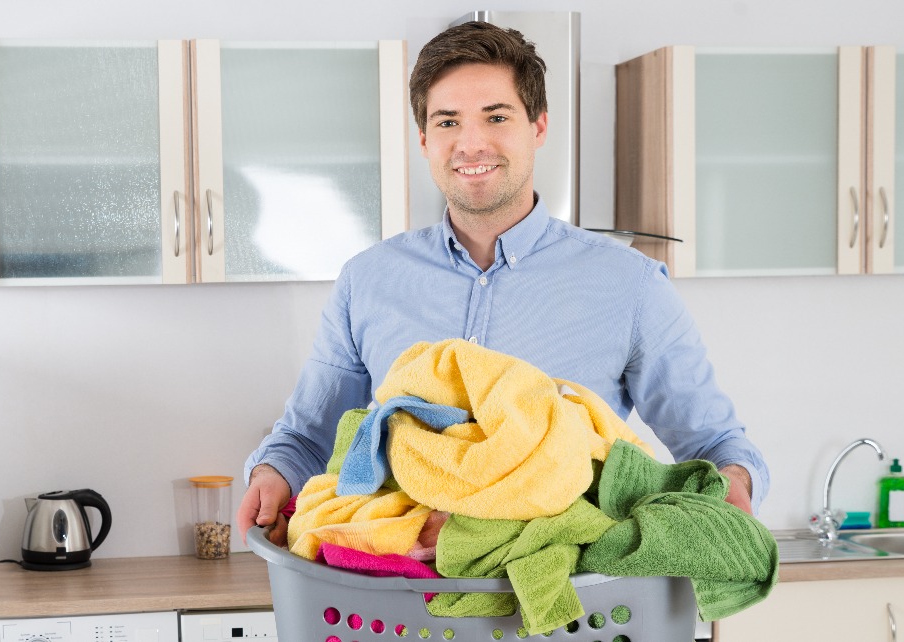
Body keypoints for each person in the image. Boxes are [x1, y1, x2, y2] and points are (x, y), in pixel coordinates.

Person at [238, 21, 768, 545]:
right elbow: (307, 436)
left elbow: (715, 443)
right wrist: (272, 475)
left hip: (570, 615)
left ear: (538, 126)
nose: (471, 144)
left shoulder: (630, 285)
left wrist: (733, 485)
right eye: (447, 122)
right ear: (423, 140)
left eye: (496, 116)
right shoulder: (367, 281)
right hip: (398, 607)